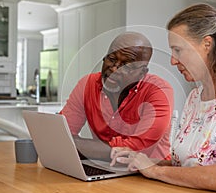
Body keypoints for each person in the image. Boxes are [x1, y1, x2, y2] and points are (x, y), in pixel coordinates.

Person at [110, 4, 216, 193]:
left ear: (207, 44)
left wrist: (154, 170)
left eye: (178, 50)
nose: (172, 60)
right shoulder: (195, 98)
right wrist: (143, 161)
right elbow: (188, 165)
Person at [60, 31, 174, 161]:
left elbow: (137, 149)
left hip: (149, 175)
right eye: (112, 59)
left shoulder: (158, 90)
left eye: (127, 66)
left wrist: (73, 144)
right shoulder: (87, 84)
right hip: (103, 168)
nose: (114, 69)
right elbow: (62, 132)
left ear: (142, 73)